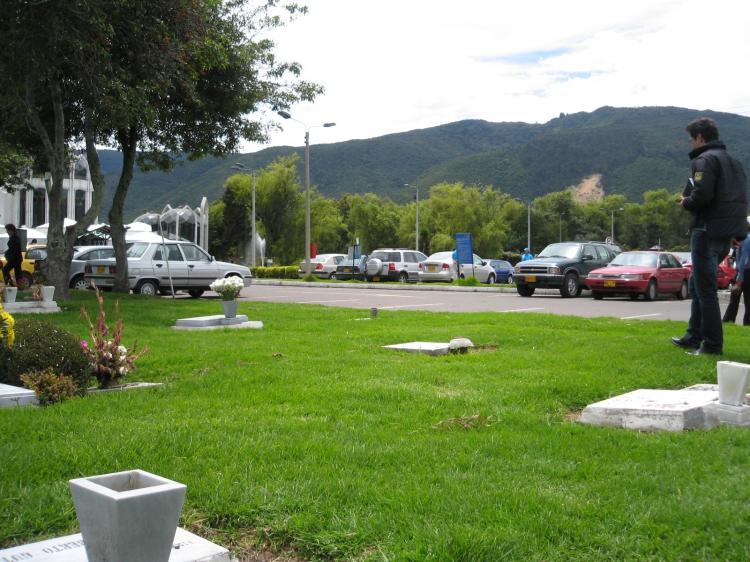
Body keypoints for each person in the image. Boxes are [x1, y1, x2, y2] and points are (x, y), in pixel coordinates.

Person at [672, 118, 748, 355]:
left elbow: (702, 196)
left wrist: (686, 202)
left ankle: (712, 345)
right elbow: (738, 198)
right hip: (725, 233)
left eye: (692, 139)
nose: (692, 144)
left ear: (700, 138)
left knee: (705, 289)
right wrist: (736, 230)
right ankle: (693, 335)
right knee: (697, 283)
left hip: (706, 230)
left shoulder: (704, 160)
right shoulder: (734, 162)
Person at [722, 217, 750, 325]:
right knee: (748, 301)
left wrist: (739, 280)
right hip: (746, 272)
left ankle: (728, 320)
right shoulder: (744, 240)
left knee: (734, 299)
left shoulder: (747, 240)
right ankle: (747, 324)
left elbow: (744, 261)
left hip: (744, 273)